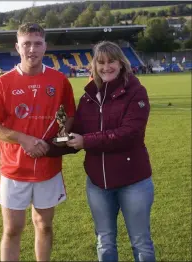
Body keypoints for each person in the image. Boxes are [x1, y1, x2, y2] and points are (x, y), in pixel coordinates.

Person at [0, 22, 76, 261]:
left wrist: (59, 141)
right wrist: (23, 139)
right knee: (13, 229)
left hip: (48, 168)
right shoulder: (3, 82)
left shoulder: (59, 80)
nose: (32, 49)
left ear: (45, 46)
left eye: (37, 43)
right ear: (17, 47)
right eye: (27, 44)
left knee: (44, 225)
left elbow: (71, 115)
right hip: (14, 170)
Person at [66, 41, 155, 261]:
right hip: (97, 183)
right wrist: (46, 143)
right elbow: (76, 132)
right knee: (104, 241)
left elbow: (129, 134)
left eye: (111, 61)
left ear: (121, 63)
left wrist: (85, 141)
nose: (106, 67)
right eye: (101, 62)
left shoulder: (136, 92)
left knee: (140, 242)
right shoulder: (88, 97)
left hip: (133, 181)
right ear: (94, 65)